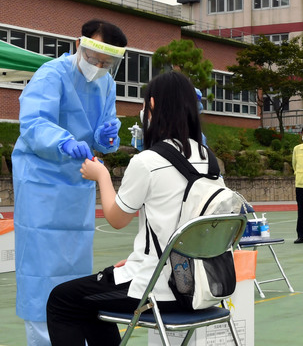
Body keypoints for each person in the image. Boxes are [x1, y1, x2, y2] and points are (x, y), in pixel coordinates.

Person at [46, 71, 215, 344]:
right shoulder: (209, 159)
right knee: (91, 298)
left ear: (152, 106)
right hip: (199, 288)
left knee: (62, 300)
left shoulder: (148, 161)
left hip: (157, 290)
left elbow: (116, 218)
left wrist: (101, 175)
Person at [11, 19, 127, 345]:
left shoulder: (106, 84)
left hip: (76, 185)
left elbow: (106, 133)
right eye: (94, 58)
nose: (98, 67)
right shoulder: (52, 75)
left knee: (74, 270)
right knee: (40, 271)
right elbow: (33, 124)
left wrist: (107, 139)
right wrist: (63, 141)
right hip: (41, 185)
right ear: (80, 45)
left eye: (107, 63)